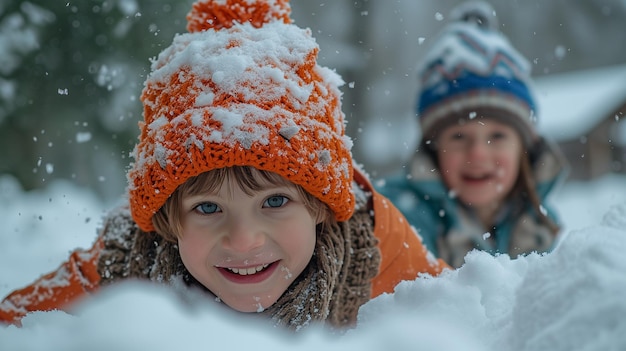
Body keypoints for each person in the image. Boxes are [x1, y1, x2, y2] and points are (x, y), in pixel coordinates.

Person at [0, 0, 449, 330]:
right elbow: (17, 324)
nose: (244, 240)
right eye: (208, 208)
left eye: (274, 200)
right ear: (168, 222)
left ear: (319, 205)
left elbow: (469, 319)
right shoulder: (128, 260)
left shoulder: (374, 246)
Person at [375, 1, 569, 268]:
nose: (477, 153)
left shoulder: (538, 224)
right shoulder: (397, 218)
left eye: (497, 136)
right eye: (458, 137)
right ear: (434, 149)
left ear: (523, 147)